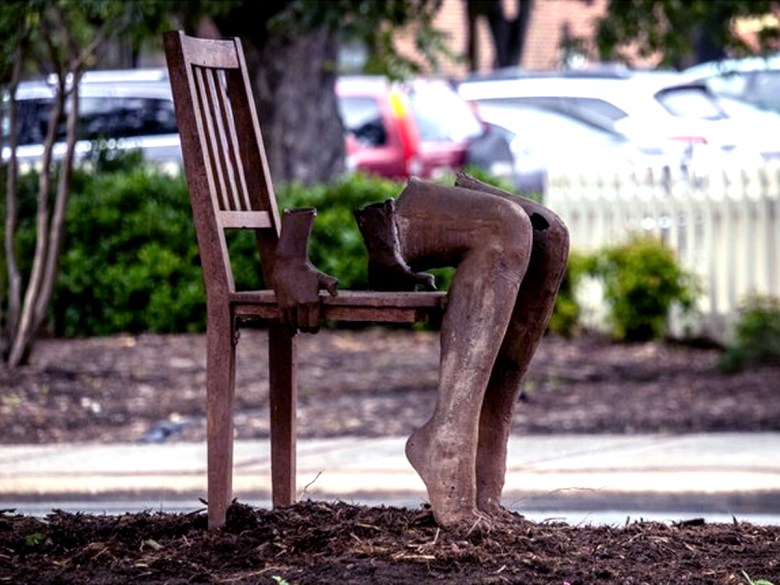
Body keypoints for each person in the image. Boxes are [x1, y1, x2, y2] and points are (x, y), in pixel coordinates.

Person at [273, 172, 569, 528]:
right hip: (387, 226)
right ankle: (446, 445)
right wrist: (289, 257)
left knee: (549, 235)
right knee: (503, 226)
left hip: (397, 216)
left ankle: (484, 479)